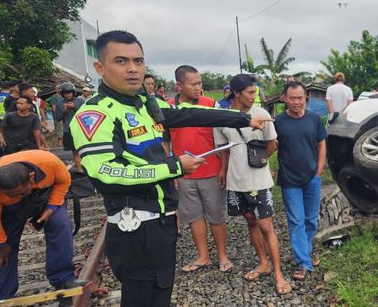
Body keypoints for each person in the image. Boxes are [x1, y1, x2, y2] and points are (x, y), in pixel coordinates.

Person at [69, 30, 271, 307]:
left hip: (162, 221)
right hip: (135, 227)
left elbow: (190, 113)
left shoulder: (145, 104)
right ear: (100, 67)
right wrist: (175, 166)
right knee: (142, 297)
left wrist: (241, 118)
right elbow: (104, 174)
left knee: (161, 291)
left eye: (138, 61)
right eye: (121, 61)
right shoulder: (96, 112)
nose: (132, 69)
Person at [214, 74, 290, 294]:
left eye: (255, 92)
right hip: (236, 181)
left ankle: (278, 273)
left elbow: (272, 144)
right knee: (250, 221)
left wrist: (258, 161)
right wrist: (223, 171)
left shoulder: (262, 114)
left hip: (259, 179)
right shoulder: (223, 117)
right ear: (236, 93)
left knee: (266, 225)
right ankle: (263, 263)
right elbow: (224, 150)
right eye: (250, 93)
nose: (253, 96)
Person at [0, 150, 86, 302]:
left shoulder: (50, 163)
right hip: (7, 210)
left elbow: (63, 181)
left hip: (42, 197)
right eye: (12, 195)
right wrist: (0, 242)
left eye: (20, 193)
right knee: (2, 250)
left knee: (60, 223)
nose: (17, 197)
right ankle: (1, 294)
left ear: (31, 178)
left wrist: (51, 208)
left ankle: (63, 279)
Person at [168, 65, 231, 274]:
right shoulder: (168, 109)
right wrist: (171, 171)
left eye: (200, 83)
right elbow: (165, 142)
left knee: (216, 215)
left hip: (211, 171)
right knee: (193, 215)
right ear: (179, 85)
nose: (198, 88)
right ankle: (203, 256)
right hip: (184, 173)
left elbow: (222, 138)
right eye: (193, 84)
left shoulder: (210, 104)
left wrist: (223, 168)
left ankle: (222, 255)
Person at [275, 82, 327, 281]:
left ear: (305, 97)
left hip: (312, 178)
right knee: (296, 220)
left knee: (311, 220)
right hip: (290, 180)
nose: (297, 102)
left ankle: (304, 252)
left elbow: (322, 143)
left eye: (300, 98)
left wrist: (319, 170)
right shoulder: (279, 122)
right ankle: (304, 262)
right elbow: (271, 146)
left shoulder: (314, 119)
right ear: (285, 99)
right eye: (293, 98)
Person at [53, 82, 84, 172]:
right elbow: (57, 118)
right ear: (62, 94)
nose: (68, 95)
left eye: (69, 93)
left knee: (85, 149)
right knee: (75, 151)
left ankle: (88, 168)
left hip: (82, 129)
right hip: (68, 129)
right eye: (66, 93)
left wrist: (74, 108)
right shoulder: (59, 103)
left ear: (73, 92)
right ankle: (79, 170)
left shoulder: (80, 101)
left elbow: (85, 114)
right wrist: (64, 111)